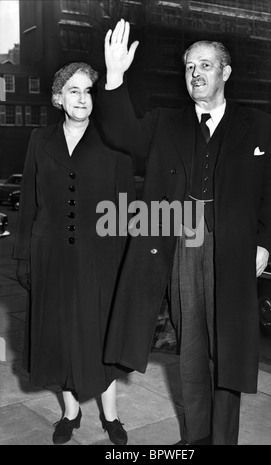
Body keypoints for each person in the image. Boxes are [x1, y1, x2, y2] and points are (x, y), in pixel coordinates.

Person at [98, 20, 271, 446]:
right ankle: (197, 438)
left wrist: (264, 244)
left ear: (225, 72)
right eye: (188, 67)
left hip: (233, 250)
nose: (195, 73)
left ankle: (223, 440)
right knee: (194, 350)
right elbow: (120, 131)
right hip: (183, 245)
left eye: (205, 65)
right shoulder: (165, 123)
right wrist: (114, 78)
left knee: (228, 352)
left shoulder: (261, 127)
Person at [13, 62, 135, 445]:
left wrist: (124, 265)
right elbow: (29, 203)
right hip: (49, 255)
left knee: (100, 336)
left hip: (99, 258)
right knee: (60, 335)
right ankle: (70, 412)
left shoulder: (114, 143)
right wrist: (24, 257)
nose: (82, 98)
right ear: (57, 98)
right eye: (73, 91)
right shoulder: (39, 139)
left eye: (87, 91)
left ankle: (110, 415)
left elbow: (125, 207)